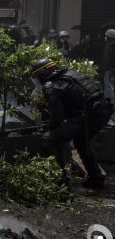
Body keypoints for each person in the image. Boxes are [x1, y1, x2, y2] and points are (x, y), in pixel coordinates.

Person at [31, 58, 110, 188]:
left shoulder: (50, 86)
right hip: (104, 111)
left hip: (89, 115)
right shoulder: (72, 74)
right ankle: (96, 177)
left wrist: (51, 131)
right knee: (81, 141)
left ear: (42, 74)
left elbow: (57, 118)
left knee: (49, 139)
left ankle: (60, 183)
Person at [100, 29, 115, 102]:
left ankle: (111, 104)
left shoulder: (108, 46)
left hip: (108, 69)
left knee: (108, 87)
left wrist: (103, 68)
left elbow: (105, 59)